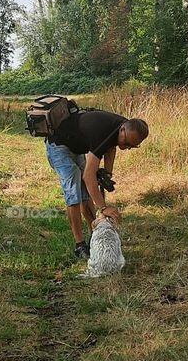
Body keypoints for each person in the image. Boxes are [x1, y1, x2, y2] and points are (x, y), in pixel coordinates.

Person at [45, 109, 149, 259]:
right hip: (58, 146)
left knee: (87, 194)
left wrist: (107, 174)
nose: (126, 148)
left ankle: (94, 236)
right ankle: (79, 245)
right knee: (74, 191)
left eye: (131, 146)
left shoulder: (125, 126)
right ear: (122, 129)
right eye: (126, 143)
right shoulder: (103, 133)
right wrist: (104, 207)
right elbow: (88, 176)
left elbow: (111, 147)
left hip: (76, 147)